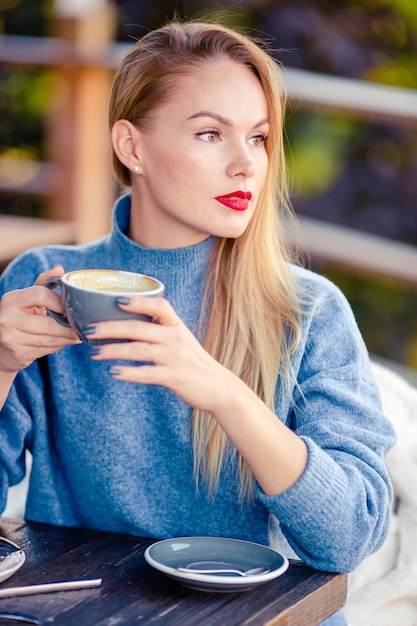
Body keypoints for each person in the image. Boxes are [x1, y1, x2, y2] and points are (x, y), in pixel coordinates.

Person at [0, 20, 395, 625]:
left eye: (259, 138)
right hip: (92, 611)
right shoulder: (49, 286)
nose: (246, 165)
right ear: (132, 147)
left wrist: (225, 394)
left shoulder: (308, 310)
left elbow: (351, 538)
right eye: (211, 133)